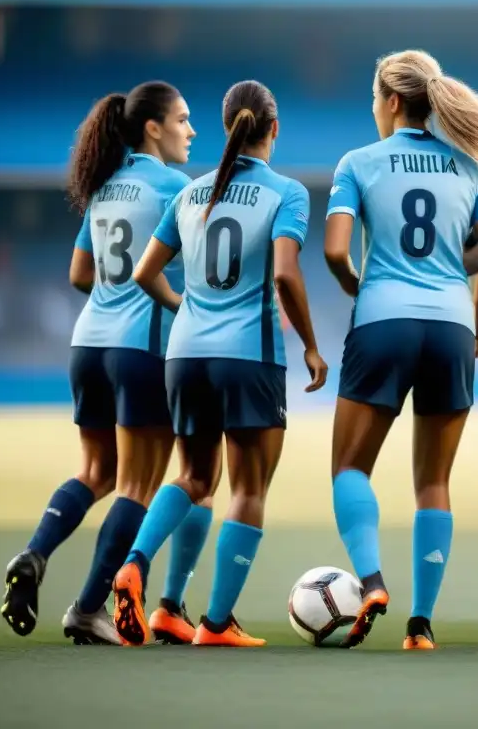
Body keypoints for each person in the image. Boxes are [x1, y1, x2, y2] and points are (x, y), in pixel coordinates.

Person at [112, 79, 326, 648]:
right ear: (273, 129)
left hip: (185, 354)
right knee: (248, 489)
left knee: (194, 476)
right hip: (248, 356)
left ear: (230, 124)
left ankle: (134, 563)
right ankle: (215, 623)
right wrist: (309, 343)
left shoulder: (190, 193)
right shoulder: (288, 193)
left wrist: (187, 308)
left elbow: (143, 272)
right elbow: (284, 273)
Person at [0, 81, 210, 645]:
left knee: (96, 472)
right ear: (152, 128)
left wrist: (115, 292)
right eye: (183, 120)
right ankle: (89, 606)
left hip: (88, 342)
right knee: (138, 485)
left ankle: (36, 550)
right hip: (142, 348)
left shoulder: (105, 189)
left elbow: (78, 274)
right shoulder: (177, 189)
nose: (192, 131)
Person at [324, 49, 478, 650]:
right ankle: (421, 625)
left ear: (392, 100)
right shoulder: (469, 169)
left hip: (383, 319)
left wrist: (362, 284)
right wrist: (451, 269)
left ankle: (373, 581)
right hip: (452, 324)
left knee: (350, 467)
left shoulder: (358, 162)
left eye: (375, 98)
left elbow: (334, 251)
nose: (373, 109)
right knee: (433, 483)